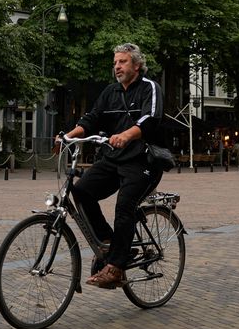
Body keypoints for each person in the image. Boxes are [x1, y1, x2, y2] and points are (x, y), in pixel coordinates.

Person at [60, 43, 165, 290]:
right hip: (113, 159)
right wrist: (68, 136)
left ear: (137, 65)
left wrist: (127, 135)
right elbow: (92, 118)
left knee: (124, 205)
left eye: (123, 62)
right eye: (115, 62)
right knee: (81, 191)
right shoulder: (110, 92)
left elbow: (150, 119)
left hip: (143, 161)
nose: (117, 66)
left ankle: (116, 268)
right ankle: (109, 243)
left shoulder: (150, 88)